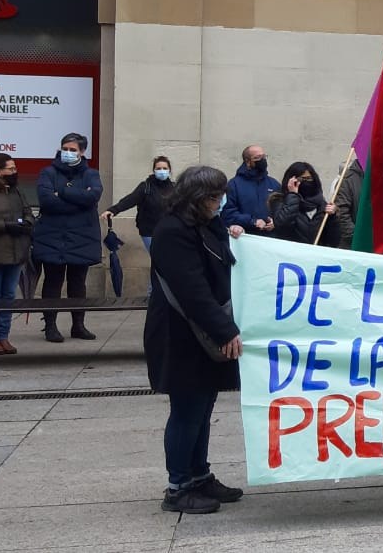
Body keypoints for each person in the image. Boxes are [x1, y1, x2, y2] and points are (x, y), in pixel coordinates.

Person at [145, 165, 245, 514]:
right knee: (187, 410)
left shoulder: (204, 224)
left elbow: (223, 266)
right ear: (197, 198)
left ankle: (199, 475)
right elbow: (192, 289)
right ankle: (178, 486)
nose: (220, 202)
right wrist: (225, 330)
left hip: (201, 331)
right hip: (181, 333)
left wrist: (228, 231)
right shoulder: (173, 231)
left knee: (203, 409)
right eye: (215, 197)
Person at [33, 133, 103, 343]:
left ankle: (78, 325)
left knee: (77, 282)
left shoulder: (91, 174)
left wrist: (61, 191)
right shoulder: (48, 172)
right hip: (51, 236)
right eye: (66, 148)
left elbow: (93, 197)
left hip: (82, 236)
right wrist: (78, 198)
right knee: (53, 281)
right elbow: (46, 201)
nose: (69, 153)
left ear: (82, 152)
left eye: (73, 150)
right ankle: (50, 326)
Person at [0, 154, 32, 355]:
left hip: (16, 253)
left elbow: (28, 212)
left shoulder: (16, 191)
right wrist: (4, 225)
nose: (15, 172)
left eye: (15, 168)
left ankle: (4, 336)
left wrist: (28, 223)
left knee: (9, 297)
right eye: (11, 169)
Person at [103, 156, 175, 252]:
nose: (162, 171)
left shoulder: (175, 188)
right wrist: (114, 210)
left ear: (169, 171)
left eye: (165, 168)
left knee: (167, 259)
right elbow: (130, 200)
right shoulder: (145, 187)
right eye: (158, 168)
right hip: (149, 231)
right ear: (154, 170)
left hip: (170, 231)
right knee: (158, 257)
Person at [267, 163, 340, 247]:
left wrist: (332, 218)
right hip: (289, 252)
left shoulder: (321, 205)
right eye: (301, 179)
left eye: (309, 178)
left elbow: (333, 241)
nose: (305, 182)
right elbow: (282, 225)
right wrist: (292, 195)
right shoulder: (279, 200)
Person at [223, 145, 279, 235]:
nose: (263, 160)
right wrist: (253, 221)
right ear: (247, 161)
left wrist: (275, 222)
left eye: (264, 156)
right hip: (245, 238)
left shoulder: (274, 184)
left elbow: (281, 211)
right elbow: (228, 214)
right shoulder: (234, 185)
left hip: (270, 238)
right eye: (257, 158)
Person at [333, 159, 362, 249]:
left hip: (381, 246)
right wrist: (357, 237)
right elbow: (342, 212)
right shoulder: (347, 180)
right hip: (354, 244)